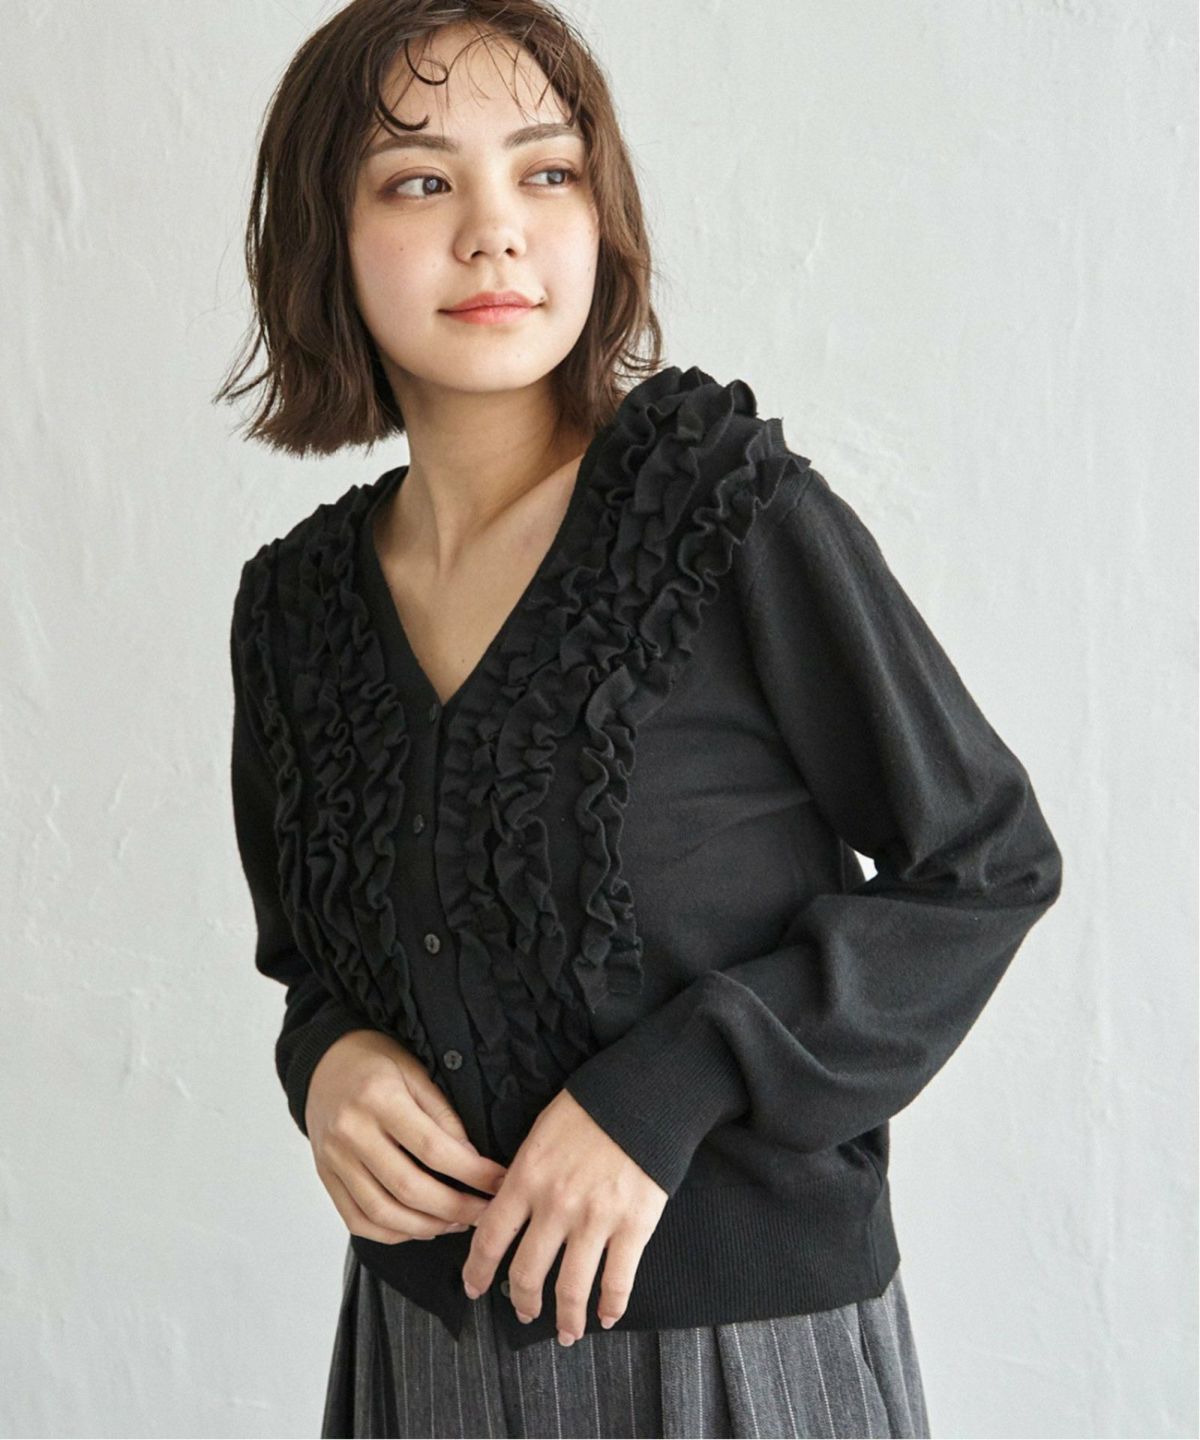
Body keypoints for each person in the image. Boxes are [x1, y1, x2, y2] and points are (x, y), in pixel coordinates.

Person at [219, 3, 1063, 1436]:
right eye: (418, 181)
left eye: (546, 172)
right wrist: (324, 1064)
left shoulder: (719, 512)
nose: (495, 231)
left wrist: (672, 1086)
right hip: (426, 1359)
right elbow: (311, 965)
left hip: (742, 1355)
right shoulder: (295, 610)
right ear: (325, 237)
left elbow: (985, 866)